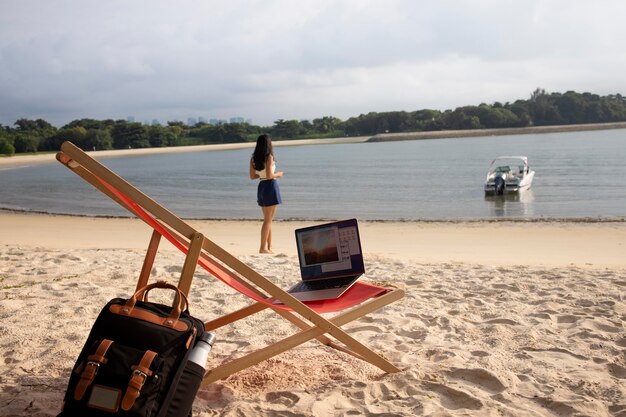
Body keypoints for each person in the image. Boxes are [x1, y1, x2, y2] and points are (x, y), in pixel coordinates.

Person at [249, 134, 283, 253]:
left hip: (262, 186)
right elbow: (270, 176)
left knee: (268, 219)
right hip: (270, 186)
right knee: (268, 220)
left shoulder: (253, 158)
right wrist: (279, 174)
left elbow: (252, 176)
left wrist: (261, 174)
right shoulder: (269, 157)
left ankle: (269, 247)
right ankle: (263, 248)